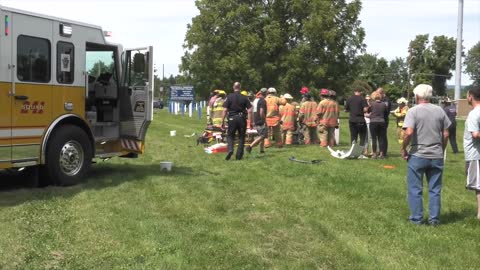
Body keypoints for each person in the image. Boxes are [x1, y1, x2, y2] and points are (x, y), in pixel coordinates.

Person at [401, 84, 451, 225]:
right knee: (435, 189)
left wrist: (403, 148)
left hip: (418, 154)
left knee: (415, 188)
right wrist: (441, 149)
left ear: (417, 96)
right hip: (436, 154)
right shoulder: (440, 111)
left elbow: (409, 132)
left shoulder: (413, 111)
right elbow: (446, 133)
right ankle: (434, 219)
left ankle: (417, 219)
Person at [222, 82, 252, 160]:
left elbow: (225, 110)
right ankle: (239, 156)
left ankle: (230, 149)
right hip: (242, 118)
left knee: (230, 135)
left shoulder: (229, 97)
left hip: (232, 118)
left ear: (233, 87)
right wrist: (250, 121)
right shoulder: (245, 97)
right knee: (241, 137)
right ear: (240, 87)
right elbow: (250, 110)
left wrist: (222, 121)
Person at [463, 86, 480, 220]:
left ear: (471, 96)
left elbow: (475, 134)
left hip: (475, 154)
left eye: (467, 95)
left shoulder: (474, 113)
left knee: (478, 185)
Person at [246, 89, 268, 154]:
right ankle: (250, 146)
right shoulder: (263, 101)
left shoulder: (257, 101)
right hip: (261, 120)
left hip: (256, 119)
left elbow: (254, 111)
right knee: (262, 135)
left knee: (261, 135)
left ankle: (262, 150)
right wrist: (264, 120)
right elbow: (261, 112)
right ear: (266, 93)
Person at [369, 91, 388, 159]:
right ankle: (381, 154)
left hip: (373, 122)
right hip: (382, 122)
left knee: (374, 138)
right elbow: (386, 114)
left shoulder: (372, 104)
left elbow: (369, 111)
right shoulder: (384, 104)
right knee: (381, 138)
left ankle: (374, 154)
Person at [377, 88, 392, 156]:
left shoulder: (386, 100)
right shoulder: (381, 99)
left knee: (383, 136)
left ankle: (383, 152)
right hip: (379, 119)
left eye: (378, 93)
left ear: (382, 93)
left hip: (384, 120)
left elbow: (386, 110)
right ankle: (380, 151)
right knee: (379, 136)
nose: (377, 95)